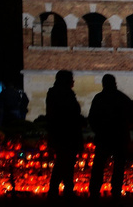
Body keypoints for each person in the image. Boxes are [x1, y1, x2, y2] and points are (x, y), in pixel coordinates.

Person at [88, 74, 133, 198]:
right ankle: (116, 192)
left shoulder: (99, 98)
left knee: (99, 166)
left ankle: (94, 191)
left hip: (104, 137)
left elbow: (92, 118)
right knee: (118, 166)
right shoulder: (123, 98)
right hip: (120, 137)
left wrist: (98, 130)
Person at [46, 70, 84, 198]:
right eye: (71, 79)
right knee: (64, 162)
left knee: (65, 163)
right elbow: (68, 114)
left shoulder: (57, 93)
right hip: (66, 134)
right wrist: (79, 120)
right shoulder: (63, 94)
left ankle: (62, 189)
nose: (73, 81)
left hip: (62, 133)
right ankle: (59, 190)